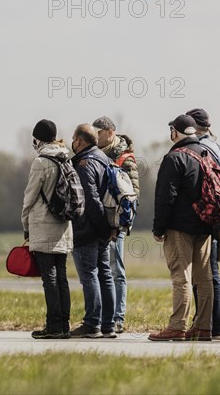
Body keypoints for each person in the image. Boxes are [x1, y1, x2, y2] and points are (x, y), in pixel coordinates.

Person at [149, 114, 213, 342]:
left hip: (180, 227)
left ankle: (177, 326)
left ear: (175, 132)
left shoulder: (175, 157)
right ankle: (203, 327)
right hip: (205, 225)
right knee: (204, 278)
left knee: (181, 277)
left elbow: (166, 197)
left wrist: (158, 228)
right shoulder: (206, 153)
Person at [22, 119, 74, 339]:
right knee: (61, 278)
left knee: (49, 279)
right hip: (63, 226)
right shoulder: (65, 158)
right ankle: (64, 325)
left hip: (43, 225)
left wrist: (25, 224)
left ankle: (53, 326)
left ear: (38, 138)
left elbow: (30, 196)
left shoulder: (40, 162)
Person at [93, 116, 140, 334]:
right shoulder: (96, 154)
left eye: (99, 132)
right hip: (99, 221)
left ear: (110, 132)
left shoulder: (124, 158)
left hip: (116, 224)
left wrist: (120, 224)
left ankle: (117, 317)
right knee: (100, 270)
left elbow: (131, 195)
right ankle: (103, 316)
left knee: (115, 270)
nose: (96, 136)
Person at [69, 124, 116, 338]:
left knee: (89, 275)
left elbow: (90, 200)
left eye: (73, 139)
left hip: (88, 229)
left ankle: (92, 324)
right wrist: (107, 229)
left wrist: (101, 228)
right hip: (104, 228)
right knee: (105, 274)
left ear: (79, 141)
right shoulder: (104, 159)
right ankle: (109, 324)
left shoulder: (84, 163)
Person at [186, 108, 220, 341]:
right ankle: (214, 325)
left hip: (205, 215)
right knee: (212, 273)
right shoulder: (216, 145)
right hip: (217, 214)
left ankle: (208, 324)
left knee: (206, 274)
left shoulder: (202, 148)